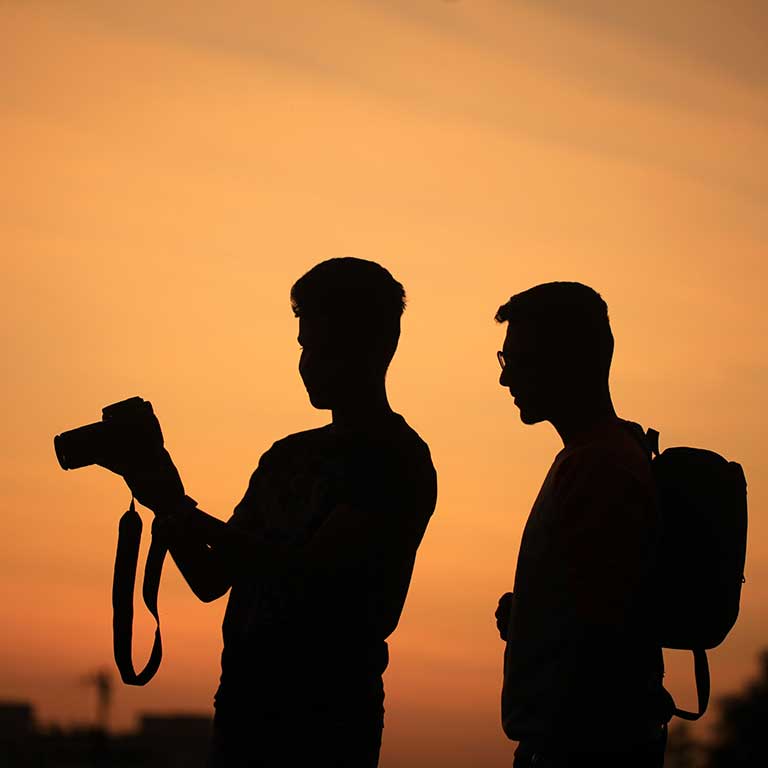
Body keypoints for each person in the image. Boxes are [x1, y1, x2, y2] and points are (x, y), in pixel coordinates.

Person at [107, 258, 437, 767]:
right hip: (242, 705)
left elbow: (314, 573)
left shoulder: (395, 458)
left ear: (370, 347)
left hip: (326, 719)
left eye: (319, 346)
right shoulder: (286, 456)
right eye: (303, 346)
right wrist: (164, 495)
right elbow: (212, 578)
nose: (306, 362)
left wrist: (188, 515)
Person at [493, 282, 671, 767]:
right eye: (504, 361)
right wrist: (533, 615)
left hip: (586, 747)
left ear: (567, 360)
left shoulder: (600, 466)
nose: (507, 381)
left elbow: (601, 622)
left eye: (519, 361)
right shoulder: (598, 457)